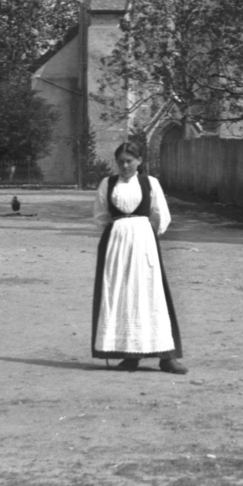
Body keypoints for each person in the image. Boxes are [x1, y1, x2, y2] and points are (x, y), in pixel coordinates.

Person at [91, 141, 187, 374]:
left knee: (149, 294)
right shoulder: (108, 184)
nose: (125, 166)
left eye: (129, 161)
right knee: (121, 294)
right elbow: (100, 215)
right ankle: (129, 355)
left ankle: (166, 357)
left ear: (139, 161)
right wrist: (118, 232)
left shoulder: (149, 183)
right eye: (121, 162)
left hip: (143, 243)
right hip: (116, 245)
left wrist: (144, 235)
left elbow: (160, 216)